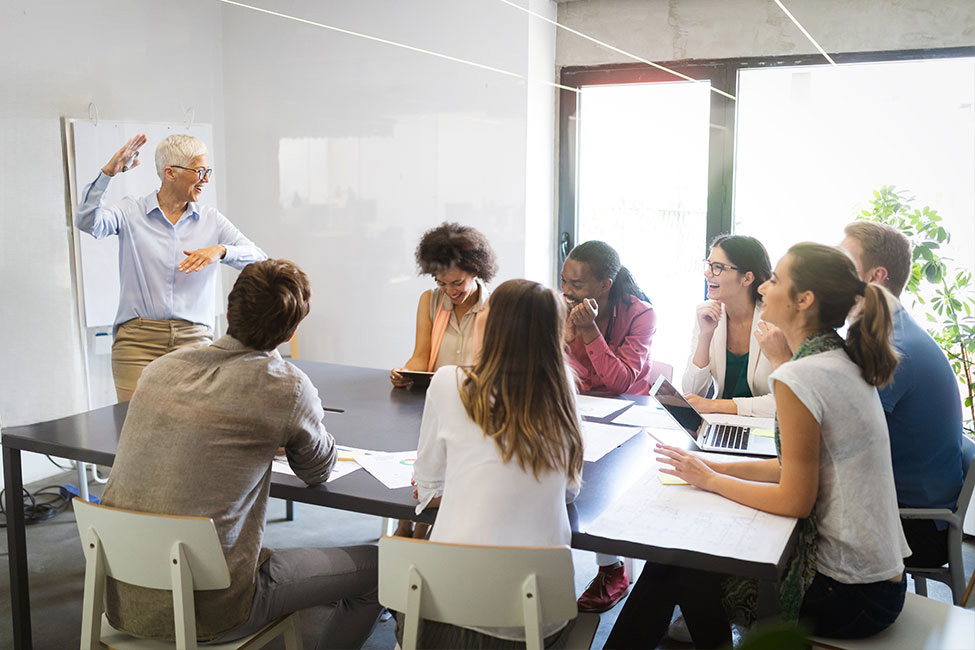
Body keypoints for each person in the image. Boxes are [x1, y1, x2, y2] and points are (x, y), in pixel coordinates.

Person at [606, 243, 909, 648]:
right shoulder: (835, 359)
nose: (765, 288)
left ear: (804, 300)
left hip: (850, 594)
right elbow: (792, 467)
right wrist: (710, 471)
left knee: (679, 567)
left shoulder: (802, 376)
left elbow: (794, 500)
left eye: (776, 280)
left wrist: (712, 481)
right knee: (677, 564)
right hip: (880, 584)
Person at [100, 259, 381, 649]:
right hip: (213, 611)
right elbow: (319, 469)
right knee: (381, 568)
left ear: (229, 310)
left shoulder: (159, 369)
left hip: (124, 602)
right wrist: (284, 421)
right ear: (291, 331)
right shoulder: (286, 386)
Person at [403, 278, 584, 648]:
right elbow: (569, 489)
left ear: (497, 326)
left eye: (484, 310)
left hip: (442, 616)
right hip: (535, 623)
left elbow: (428, 489)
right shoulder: (563, 389)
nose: (478, 315)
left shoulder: (448, 382)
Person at [76, 133, 267, 402]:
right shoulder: (131, 211)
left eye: (207, 171)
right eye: (199, 171)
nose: (206, 180)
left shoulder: (211, 220)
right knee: (134, 425)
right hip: (137, 342)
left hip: (194, 340)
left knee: (194, 425)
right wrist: (107, 174)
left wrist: (221, 251)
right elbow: (87, 222)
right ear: (170, 173)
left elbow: (260, 260)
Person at [839, 221, 965, 569]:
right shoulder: (893, 334)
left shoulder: (895, 350)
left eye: (845, 266)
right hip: (907, 508)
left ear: (876, 276)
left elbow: (838, 439)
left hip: (917, 527)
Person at [560, 240, 655, 612]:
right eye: (564, 281)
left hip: (631, 414)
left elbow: (620, 383)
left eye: (577, 285)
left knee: (600, 481)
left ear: (605, 285)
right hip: (577, 409)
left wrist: (589, 334)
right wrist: (564, 338)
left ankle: (611, 567)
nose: (567, 291)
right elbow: (551, 367)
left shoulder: (640, 314)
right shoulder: (559, 307)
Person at [390, 222, 498, 387]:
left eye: (457, 283)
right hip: (436, 395)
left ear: (475, 271)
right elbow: (421, 357)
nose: (450, 291)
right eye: (441, 283)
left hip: (476, 401)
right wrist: (405, 373)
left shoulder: (495, 307)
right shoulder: (429, 300)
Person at [683, 235, 776, 417]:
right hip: (721, 425)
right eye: (708, 264)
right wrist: (705, 336)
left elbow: (786, 402)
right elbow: (692, 393)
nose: (707, 273)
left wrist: (714, 406)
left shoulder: (775, 322)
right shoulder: (708, 315)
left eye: (718, 267)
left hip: (763, 430)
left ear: (747, 278)